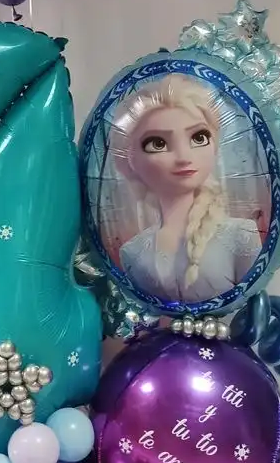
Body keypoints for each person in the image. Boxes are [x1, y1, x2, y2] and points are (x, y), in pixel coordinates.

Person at [108, 74, 262, 302]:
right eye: (158, 143)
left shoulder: (241, 236)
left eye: (199, 138)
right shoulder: (133, 252)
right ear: (130, 160)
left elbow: (254, 310)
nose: (183, 157)